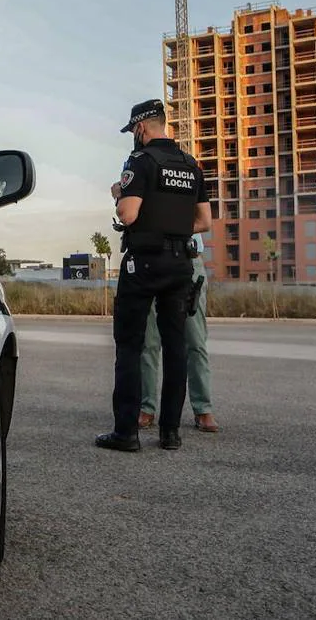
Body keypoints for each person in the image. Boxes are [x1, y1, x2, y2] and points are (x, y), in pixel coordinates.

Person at [95, 99, 211, 452]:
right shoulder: (191, 166)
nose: (133, 135)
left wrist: (119, 194)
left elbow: (128, 215)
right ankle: (170, 433)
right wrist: (173, 228)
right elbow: (204, 221)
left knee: (130, 346)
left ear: (142, 127)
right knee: (176, 347)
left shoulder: (140, 162)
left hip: (144, 263)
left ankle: (125, 433)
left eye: (133, 129)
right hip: (181, 265)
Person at [138, 238, 221, 433]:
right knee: (149, 342)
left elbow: (204, 220)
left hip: (188, 257)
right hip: (151, 261)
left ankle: (203, 408)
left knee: (195, 341)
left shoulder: (194, 204)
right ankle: (146, 407)